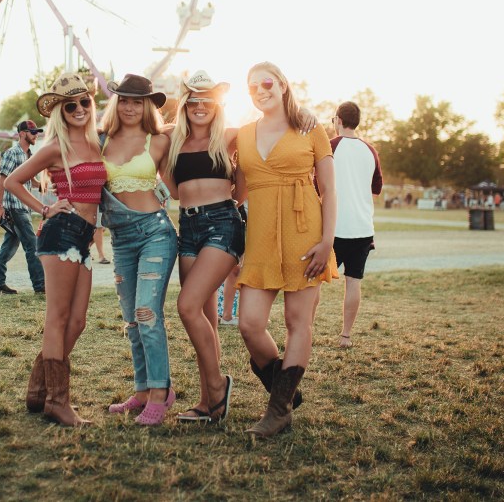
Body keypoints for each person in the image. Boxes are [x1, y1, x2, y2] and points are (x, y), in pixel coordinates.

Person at [234, 62, 339, 438]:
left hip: (305, 236)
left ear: (282, 85)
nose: (260, 91)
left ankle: (278, 411)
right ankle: (286, 388)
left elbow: (329, 190)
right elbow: (237, 193)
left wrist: (327, 242)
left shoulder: (311, 129)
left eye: (266, 83)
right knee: (249, 324)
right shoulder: (243, 135)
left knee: (298, 322)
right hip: (260, 239)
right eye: (252, 87)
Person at [5, 73, 106, 427]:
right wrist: (45, 208)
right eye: (70, 105)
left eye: (84, 102)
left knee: (77, 322)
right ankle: (58, 401)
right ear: (60, 112)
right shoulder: (54, 148)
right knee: (58, 318)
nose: (79, 109)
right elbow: (12, 181)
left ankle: (38, 391)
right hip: (61, 232)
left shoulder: (97, 143)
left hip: (84, 237)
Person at [98, 73, 178, 426]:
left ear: (147, 106)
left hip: (155, 233)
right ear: (116, 104)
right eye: (125, 101)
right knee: (132, 321)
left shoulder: (159, 140)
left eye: (137, 102)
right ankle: (143, 391)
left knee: (147, 314)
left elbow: (177, 188)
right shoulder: (101, 141)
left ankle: (161, 393)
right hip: (121, 239)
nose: (130, 107)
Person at [162, 70, 241, 423]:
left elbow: (245, 186)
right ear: (184, 104)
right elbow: (174, 191)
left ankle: (218, 386)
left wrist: (304, 117)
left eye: (207, 100)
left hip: (222, 224)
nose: (200, 106)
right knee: (204, 319)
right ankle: (208, 402)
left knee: (187, 306)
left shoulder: (230, 136)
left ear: (217, 105)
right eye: (193, 100)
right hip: (188, 226)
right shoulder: (171, 139)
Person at [323, 101, 383, 349]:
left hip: (334, 228)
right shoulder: (370, 151)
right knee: (353, 281)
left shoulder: (330, 146)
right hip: (362, 228)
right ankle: (345, 336)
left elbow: (317, 185)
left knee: (313, 282)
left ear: (338, 120)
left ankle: (304, 329)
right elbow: (376, 189)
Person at [0, 120, 47, 294]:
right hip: (14, 206)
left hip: (22, 206)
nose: (36, 135)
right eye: (32, 132)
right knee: (32, 245)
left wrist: (43, 185)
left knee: (9, 246)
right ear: (22, 133)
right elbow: (2, 181)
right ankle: (40, 285)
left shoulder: (29, 155)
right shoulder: (12, 153)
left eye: (37, 132)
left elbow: (31, 181)